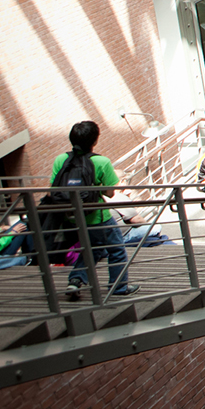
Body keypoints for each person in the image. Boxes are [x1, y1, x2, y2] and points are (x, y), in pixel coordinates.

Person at [52, 121, 138, 300]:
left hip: (71, 217)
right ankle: (119, 287)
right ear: (95, 140)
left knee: (94, 249)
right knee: (117, 250)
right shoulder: (101, 161)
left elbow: (53, 188)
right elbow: (110, 193)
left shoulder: (61, 159)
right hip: (97, 217)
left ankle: (75, 280)